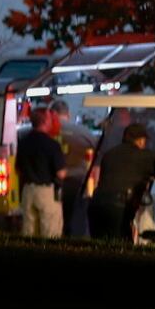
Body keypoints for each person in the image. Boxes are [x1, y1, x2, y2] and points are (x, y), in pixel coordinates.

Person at [87, 122, 155, 241]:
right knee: (121, 247)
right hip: (119, 207)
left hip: (96, 204)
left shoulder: (109, 154)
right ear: (140, 140)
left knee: (98, 248)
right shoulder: (145, 156)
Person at [16, 107, 67, 239]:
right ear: (45, 121)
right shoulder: (52, 145)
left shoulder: (23, 143)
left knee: (29, 233)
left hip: (27, 192)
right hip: (46, 193)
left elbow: (18, 169)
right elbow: (61, 173)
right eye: (50, 119)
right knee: (50, 233)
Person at [51, 99, 97, 237]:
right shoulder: (84, 132)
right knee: (78, 220)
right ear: (68, 114)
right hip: (79, 182)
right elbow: (98, 153)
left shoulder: (47, 132)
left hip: (54, 183)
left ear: (52, 114)